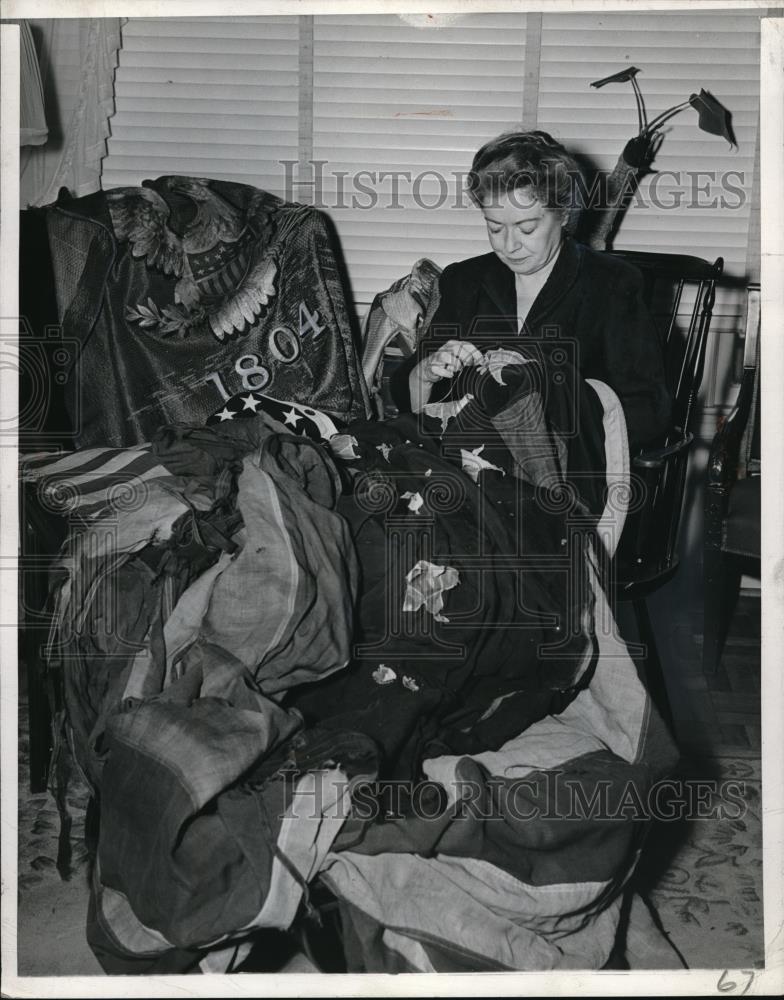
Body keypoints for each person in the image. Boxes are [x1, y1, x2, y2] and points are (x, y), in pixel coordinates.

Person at [395, 130, 672, 455]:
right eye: (495, 227)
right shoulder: (464, 280)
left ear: (564, 214)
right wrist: (425, 374)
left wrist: (550, 403)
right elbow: (407, 400)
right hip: (464, 466)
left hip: (564, 478)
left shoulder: (611, 284)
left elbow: (649, 414)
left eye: (527, 228)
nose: (509, 245)